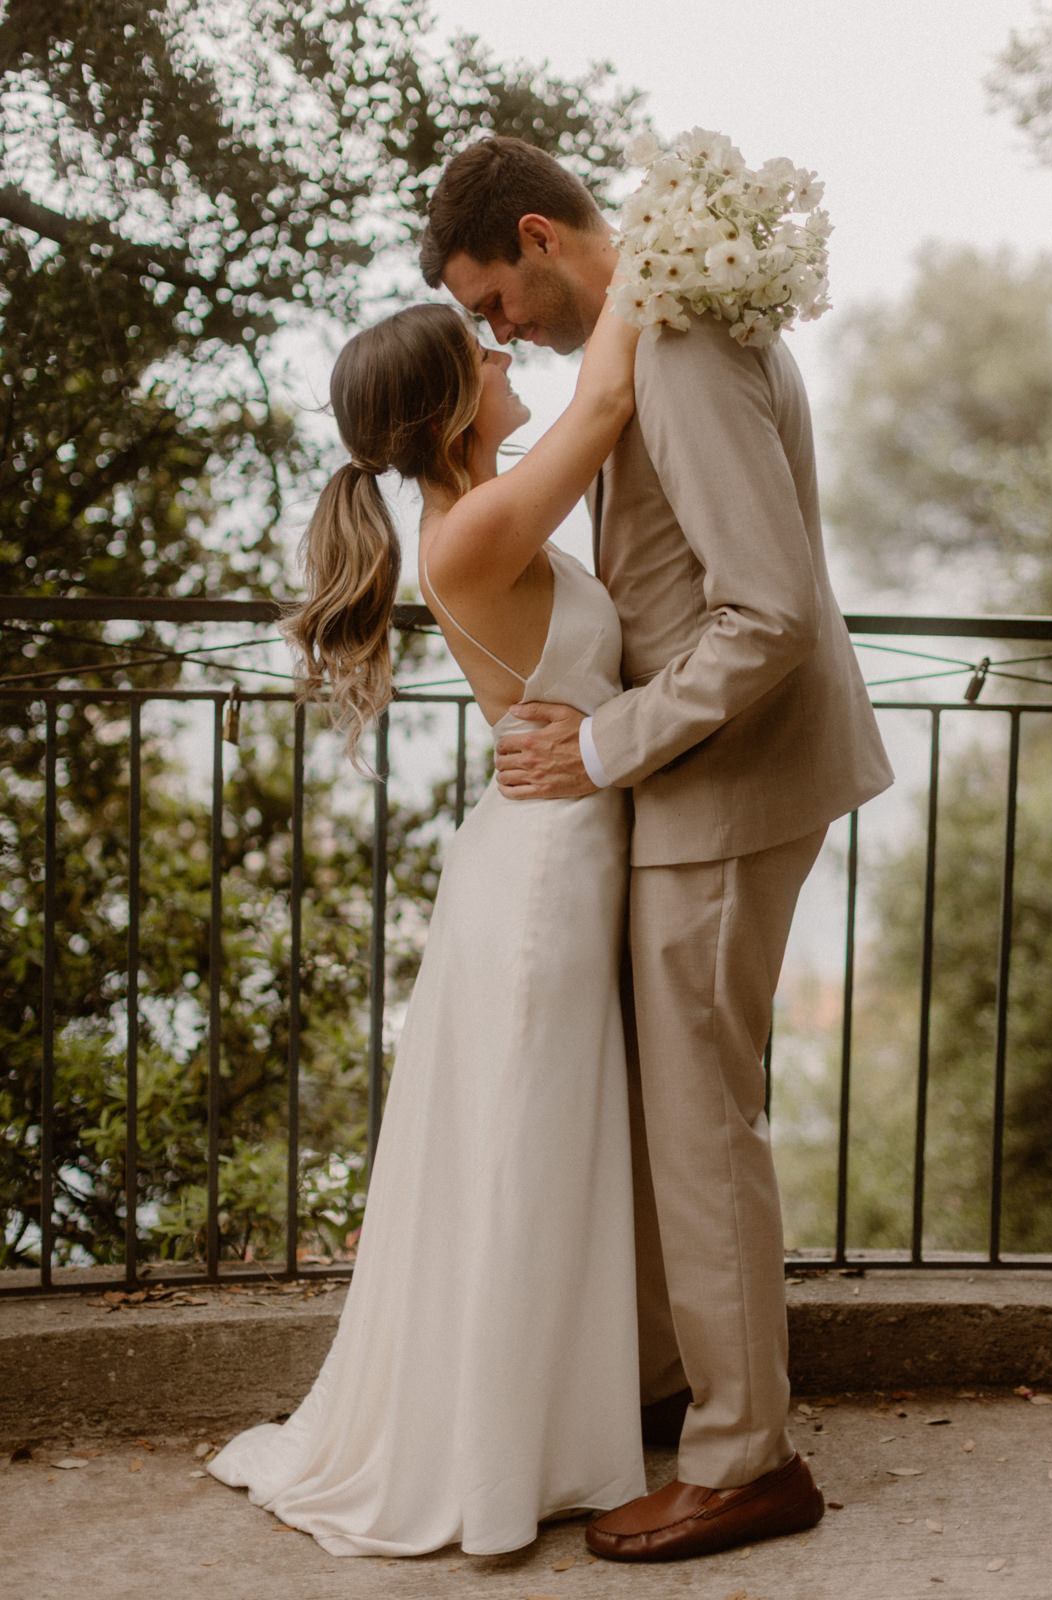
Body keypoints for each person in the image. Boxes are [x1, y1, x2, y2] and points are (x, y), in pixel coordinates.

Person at [421, 135, 894, 1564]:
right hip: (712, 785)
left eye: (489, 301)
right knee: (674, 1117)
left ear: (534, 238)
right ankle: (667, 1388)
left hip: (724, 788)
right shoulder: (666, 318)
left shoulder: (675, 339)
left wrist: (601, 742)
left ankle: (743, 1458)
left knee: (699, 1133)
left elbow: (764, 614)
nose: (493, 332)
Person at [207, 299, 651, 1555]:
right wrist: (655, 248)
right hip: (542, 881)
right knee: (519, 1148)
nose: (509, 355)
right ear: (453, 405)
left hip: (550, 853)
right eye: (486, 351)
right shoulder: (471, 529)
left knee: (540, 1147)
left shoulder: (474, 515)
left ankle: (539, 1436)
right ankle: (493, 1468)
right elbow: (608, 401)